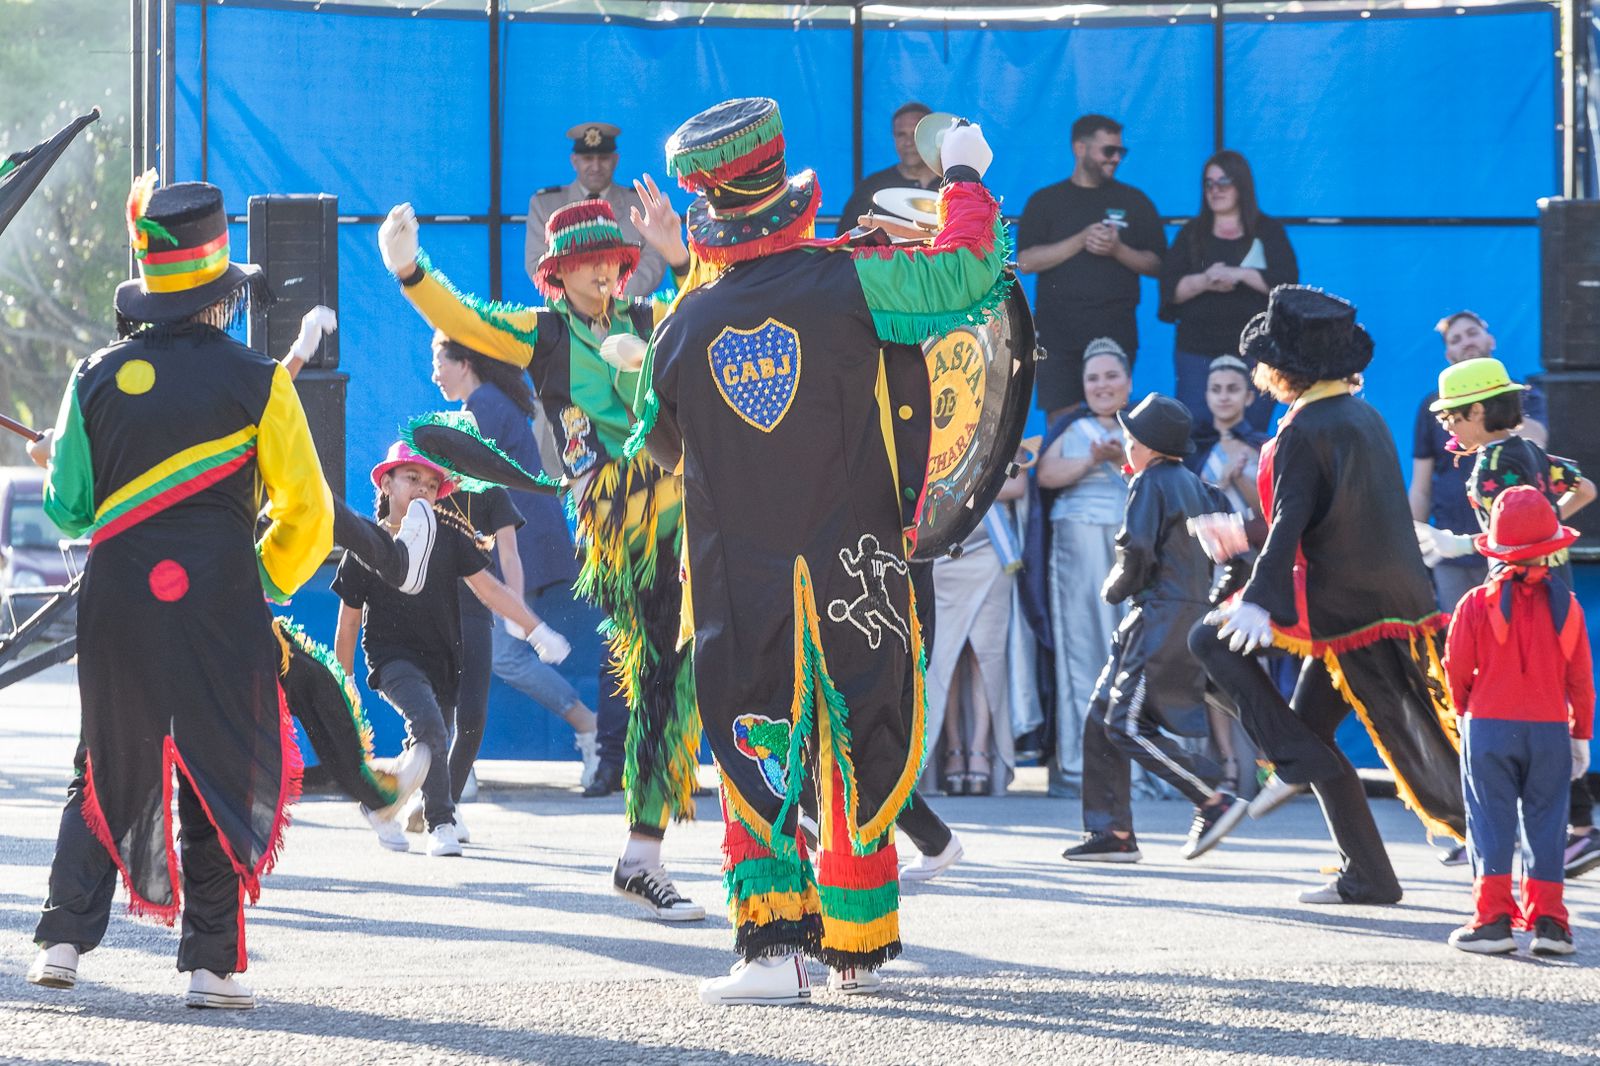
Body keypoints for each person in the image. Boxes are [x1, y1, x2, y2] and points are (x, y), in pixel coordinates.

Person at [635, 97, 1007, 1004]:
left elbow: (659, 439)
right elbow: (967, 275)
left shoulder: (682, 329)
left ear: (707, 207)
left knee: (753, 742)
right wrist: (962, 175)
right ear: (787, 187)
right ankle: (856, 940)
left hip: (738, 575)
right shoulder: (856, 281)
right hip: (857, 562)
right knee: (856, 732)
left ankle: (768, 955)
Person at [24, 177, 334, 1009]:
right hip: (218, 606)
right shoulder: (261, 381)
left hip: (119, 600)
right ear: (221, 295)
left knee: (104, 759)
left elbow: (68, 507)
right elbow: (308, 513)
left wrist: (63, 456)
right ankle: (210, 967)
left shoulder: (93, 377)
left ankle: (60, 944)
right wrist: (255, 576)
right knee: (212, 766)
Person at [378, 193, 709, 919]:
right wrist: (410, 272)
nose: (601, 273)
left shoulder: (649, 319)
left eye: (611, 261)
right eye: (586, 263)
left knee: (688, 676)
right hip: (622, 526)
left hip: (693, 517)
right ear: (558, 275)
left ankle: (655, 850)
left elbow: (712, 307)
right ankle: (645, 854)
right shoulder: (546, 335)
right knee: (662, 673)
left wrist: (680, 257)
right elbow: (469, 320)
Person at [1190, 285, 1466, 905]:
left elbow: (1293, 517)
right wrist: (1245, 534)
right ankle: (1367, 873)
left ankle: (1290, 765)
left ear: (1282, 368)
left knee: (1208, 640)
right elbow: (1317, 509)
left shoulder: (1308, 425)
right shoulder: (1359, 416)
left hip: (1348, 609)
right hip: (1380, 598)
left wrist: (1260, 598)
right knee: (1311, 733)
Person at [333, 442, 571, 857]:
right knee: (431, 726)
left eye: (430, 484)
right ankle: (440, 822)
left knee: (429, 743)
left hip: (443, 659)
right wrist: (344, 679)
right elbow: (349, 620)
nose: (422, 489)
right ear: (386, 483)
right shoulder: (366, 545)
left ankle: (381, 803)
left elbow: (490, 589)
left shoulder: (449, 536)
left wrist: (536, 630)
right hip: (393, 660)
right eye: (412, 479)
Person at [1417, 356, 1600, 878]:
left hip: (1514, 595)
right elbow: (1584, 489)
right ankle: (1577, 830)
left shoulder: (1491, 466)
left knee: (1504, 708)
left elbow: (1507, 537)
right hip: (1555, 588)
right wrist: (1546, 529)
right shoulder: (1536, 454)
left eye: (1452, 414)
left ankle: (1503, 831)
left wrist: (1460, 543)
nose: (1445, 424)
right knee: (1552, 703)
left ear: (1478, 410)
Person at [1065, 394, 1244, 864]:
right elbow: (1237, 561)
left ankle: (1212, 795)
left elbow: (1136, 547)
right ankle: (1113, 832)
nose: (1127, 446)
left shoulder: (1149, 483)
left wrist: (1116, 586)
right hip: (1181, 616)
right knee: (1102, 712)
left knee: (1125, 723)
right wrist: (1211, 600)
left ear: (1145, 446)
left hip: (1158, 616)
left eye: (1130, 439)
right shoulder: (1206, 489)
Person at [429, 336, 600, 789]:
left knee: (500, 655)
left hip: (515, 545)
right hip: (514, 542)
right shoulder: (489, 402)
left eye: (438, 362)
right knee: (477, 652)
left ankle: (588, 729)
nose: (434, 374)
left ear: (464, 364)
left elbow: (463, 478)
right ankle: (458, 761)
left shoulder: (483, 407)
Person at [1443, 486, 1591, 955]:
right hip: (1550, 729)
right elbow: (1581, 680)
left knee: (1489, 822)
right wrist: (1581, 735)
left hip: (1487, 725)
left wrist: (1465, 710)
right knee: (1548, 823)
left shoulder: (1473, 603)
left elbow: (1455, 668)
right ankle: (1551, 926)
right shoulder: (1568, 605)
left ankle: (1493, 923)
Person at [1018, 114, 1165, 421]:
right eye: (1108, 151)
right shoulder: (1046, 201)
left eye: (1120, 152)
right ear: (1080, 148)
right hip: (1058, 335)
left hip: (1115, 329)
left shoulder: (1135, 201)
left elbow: (1159, 264)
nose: (1115, 159)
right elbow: (1025, 262)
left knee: (1114, 419)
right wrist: (1081, 239)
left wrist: (1118, 249)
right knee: (1063, 423)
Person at [1036, 340, 1132, 796]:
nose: (1102, 386)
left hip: (1130, 546)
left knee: (1131, 651)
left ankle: (1137, 762)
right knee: (1081, 649)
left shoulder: (1143, 427)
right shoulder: (1071, 428)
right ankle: (1078, 763)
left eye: (1111, 376)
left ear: (1128, 383)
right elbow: (1045, 477)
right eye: (1093, 378)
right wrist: (1093, 459)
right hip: (1077, 545)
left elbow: (1168, 479)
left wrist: (1123, 460)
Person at [1410, 310, 1549, 615]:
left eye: (1472, 333)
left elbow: (1538, 441)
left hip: (1516, 561)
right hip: (1453, 557)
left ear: (1490, 340)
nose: (1466, 342)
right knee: (1463, 641)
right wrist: (1412, 545)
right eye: (1456, 339)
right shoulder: (1431, 407)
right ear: (1448, 354)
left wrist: (1498, 407)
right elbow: (1420, 488)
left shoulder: (1520, 397)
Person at [1158, 150, 1296, 432]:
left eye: (1223, 183)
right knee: (1195, 429)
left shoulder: (1268, 231)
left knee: (1251, 430)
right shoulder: (1191, 233)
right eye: (1209, 184)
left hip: (1255, 352)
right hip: (1197, 350)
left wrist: (1241, 274)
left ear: (1241, 186)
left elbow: (1286, 285)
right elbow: (1170, 288)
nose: (1215, 191)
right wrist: (1206, 280)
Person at [1184, 354, 1271, 791]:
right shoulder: (1195, 451)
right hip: (1209, 566)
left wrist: (1238, 482)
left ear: (1250, 396)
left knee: (1255, 661)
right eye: (1216, 389)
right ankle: (1227, 763)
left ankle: (1264, 762)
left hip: (1252, 565)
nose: (1223, 396)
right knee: (1211, 664)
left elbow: (1272, 509)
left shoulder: (1260, 446)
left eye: (1232, 389)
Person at [926, 473, 1026, 798]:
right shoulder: (931, 428)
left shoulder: (1000, 425)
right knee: (946, 656)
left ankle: (980, 748)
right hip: (941, 552)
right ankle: (952, 749)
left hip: (989, 551)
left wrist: (956, 489)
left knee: (986, 655)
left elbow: (1016, 484)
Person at [527, 122, 667, 299]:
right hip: (567, 318)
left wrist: (610, 300)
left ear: (615, 160)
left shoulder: (640, 203)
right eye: (587, 159)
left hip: (628, 315)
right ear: (574, 161)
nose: (595, 166)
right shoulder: (545, 204)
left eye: (603, 158)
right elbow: (537, 264)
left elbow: (653, 264)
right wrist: (583, 301)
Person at [836, 101, 938, 237]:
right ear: (893, 137)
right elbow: (843, 240)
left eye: (915, 134)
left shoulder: (956, 186)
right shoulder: (872, 187)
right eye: (901, 134)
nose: (908, 143)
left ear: (931, 138)